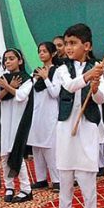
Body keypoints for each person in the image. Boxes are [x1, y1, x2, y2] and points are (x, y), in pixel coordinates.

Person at [47, 23, 104, 208]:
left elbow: (101, 100)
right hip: (66, 127)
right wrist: (87, 77)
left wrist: (95, 88)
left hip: (87, 126)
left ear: (87, 46)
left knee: (87, 178)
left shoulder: (98, 67)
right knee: (65, 177)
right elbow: (70, 86)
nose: (69, 48)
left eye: (73, 43)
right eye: (67, 43)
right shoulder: (61, 68)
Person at [0, 48, 34, 204]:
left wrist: (8, 86)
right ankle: (9, 186)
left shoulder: (26, 78)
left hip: (19, 121)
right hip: (4, 120)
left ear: (20, 60)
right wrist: (7, 86)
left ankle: (26, 189)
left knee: (16, 153)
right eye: (6, 59)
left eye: (11, 58)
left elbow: (21, 96)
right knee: (5, 154)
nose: (8, 62)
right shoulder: (3, 79)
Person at [28, 42, 61, 192]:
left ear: (53, 53)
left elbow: (55, 93)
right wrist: (36, 78)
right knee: (36, 147)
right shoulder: (36, 71)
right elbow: (30, 91)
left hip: (50, 113)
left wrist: (46, 78)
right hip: (36, 113)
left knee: (50, 148)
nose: (41, 54)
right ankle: (40, 179)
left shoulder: (59, 71)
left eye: (45, 51)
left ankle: (57, 180)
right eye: (39, 51)